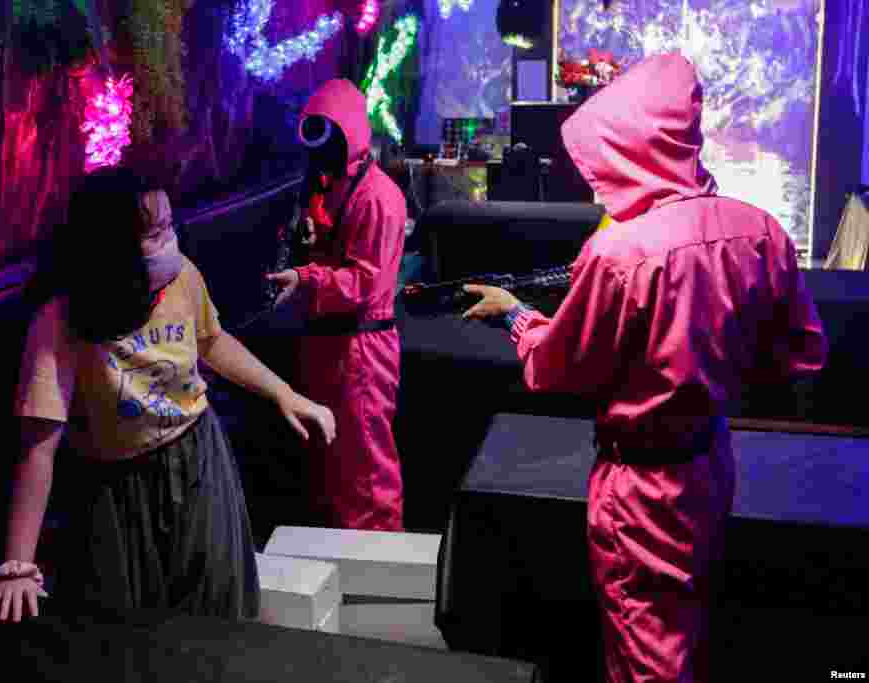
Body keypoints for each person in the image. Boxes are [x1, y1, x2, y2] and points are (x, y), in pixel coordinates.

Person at [462, 52, 827, 682]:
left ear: (630, 145)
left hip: (642, 489)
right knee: (687, 628)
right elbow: (799, 354)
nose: (597, 177)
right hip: (712, 464)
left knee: (645, 655)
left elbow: (559, 367)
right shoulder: (761, 232)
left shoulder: (619, 252)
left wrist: (516, 316)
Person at [0, 166, 336, 623]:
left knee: (218, 597)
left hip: (198, 454)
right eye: (154, 233)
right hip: (115, 481)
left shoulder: (183, 275)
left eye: (169, 226)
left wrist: (282, 392)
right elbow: (39, 446)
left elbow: (211, 341)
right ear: (111, 247)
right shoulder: (61, 320)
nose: (170, 242)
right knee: (128, 620)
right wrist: (18, 565)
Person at [266, 78, 408, 531]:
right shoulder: (335, 186)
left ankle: (385, 579)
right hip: (329, 344)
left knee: (367, 477)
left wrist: (306, 276)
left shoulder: (377, 198)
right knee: (333, 471)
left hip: (360, 352)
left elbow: (364, 282)